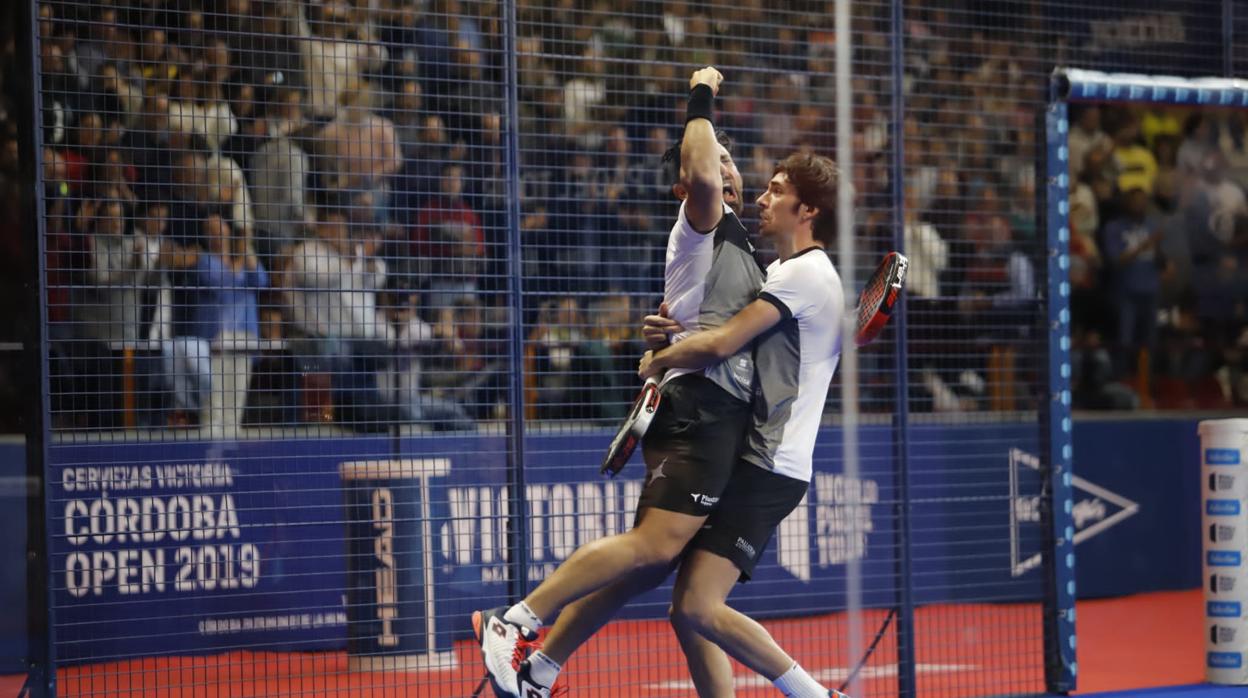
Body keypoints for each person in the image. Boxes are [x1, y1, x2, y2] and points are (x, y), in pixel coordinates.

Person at [473, 66, 763, 698]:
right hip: (700, 409)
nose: (729, 168)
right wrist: (702, 91)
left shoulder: (734, 242)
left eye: (730, 159)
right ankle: (514, 619)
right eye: (717, 158)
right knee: (651, 548)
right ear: (688, 181)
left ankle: (541, 669)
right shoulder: (703, 215)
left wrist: (663, 339)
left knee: (651, 570)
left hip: (714, 412)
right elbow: (703, 173)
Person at [638, 152, 849, 697]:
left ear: (808, 210)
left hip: (771, 463)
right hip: (751, 455)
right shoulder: (780, 272)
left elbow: (724, 343)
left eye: (776, 190)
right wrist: (669, 333)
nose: (761, 198)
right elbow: (719, 338)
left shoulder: (805, 274)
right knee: (688, 613)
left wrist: (661, 359)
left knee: (698, 605)